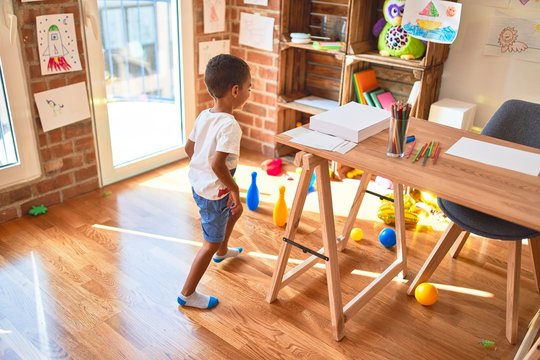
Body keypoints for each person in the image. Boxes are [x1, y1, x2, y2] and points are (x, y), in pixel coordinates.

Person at [178, 54, 251, 309]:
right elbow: (218, 165)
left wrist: (202, 173)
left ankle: (223, 251)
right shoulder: (229, 125)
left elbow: (189, 148)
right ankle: (187, 294)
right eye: (248, 87)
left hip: (201, 186)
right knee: (209, 242)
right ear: (235, 90)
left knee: (234, 212)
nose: (249, 91)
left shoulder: (204, 115)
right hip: (215, 190)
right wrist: (234, 189)